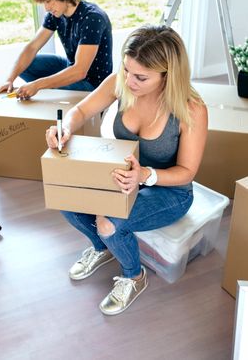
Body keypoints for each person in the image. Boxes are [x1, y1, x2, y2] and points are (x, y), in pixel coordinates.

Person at [46, 24, 208, 316]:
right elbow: (80, 111)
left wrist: (146, 175)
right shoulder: (121, 82)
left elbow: (187, 171)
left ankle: (134, 275)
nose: (129, 81)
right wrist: (64, 128)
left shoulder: (191, 108)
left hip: (169, 191)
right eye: (126, 70)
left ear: (167, 74)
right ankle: (102, 247)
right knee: (67, 198)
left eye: (141, 77)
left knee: (108, 221)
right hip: (124, 178)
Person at [0, 0, 113, 99]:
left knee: (47, 90)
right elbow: (32, 47)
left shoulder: (92, 18)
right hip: (71, 67)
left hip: (92, 83)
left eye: (48, 1)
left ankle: (47, 98)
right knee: (28, 65)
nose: (46, 8)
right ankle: (47, 94)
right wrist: (10, 79)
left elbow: (80, 71)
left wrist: (38, 85)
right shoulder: (55, 14)